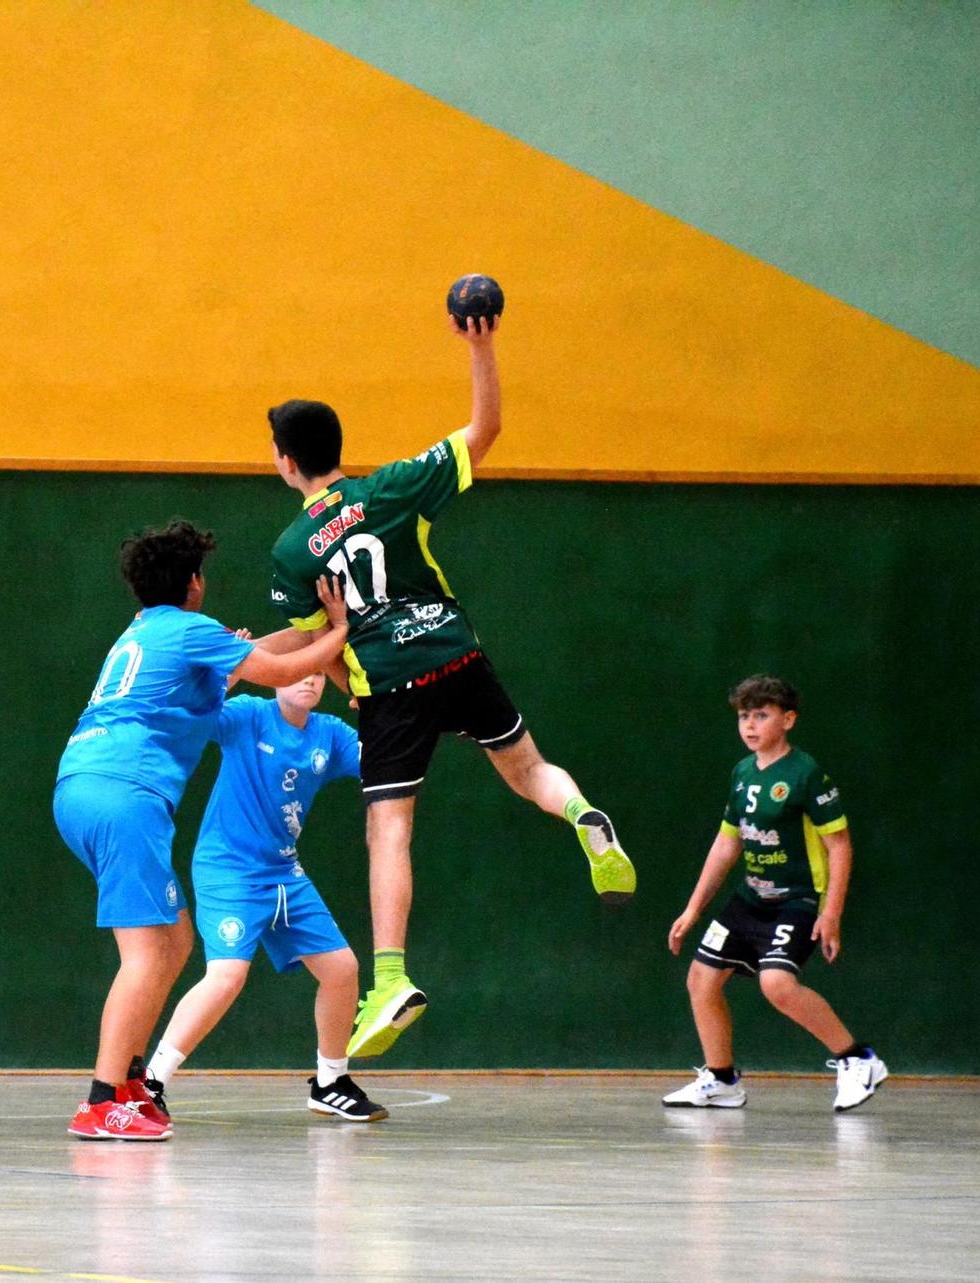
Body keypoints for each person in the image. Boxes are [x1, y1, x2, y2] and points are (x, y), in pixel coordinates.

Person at [263, 309, 633, 1059]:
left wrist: (319, 672)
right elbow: (484, 427)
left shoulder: (294, 547)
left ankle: (392, 977)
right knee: (527, 767)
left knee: (389, 829)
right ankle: (586, 815)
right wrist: (482, 344)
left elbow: (314, 641)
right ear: (337, 449)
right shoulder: (396, 486)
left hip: (390, 682)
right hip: (455, 649)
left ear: (284, 462)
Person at [55, 519, 348, 1140]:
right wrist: (342, 630)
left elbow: (253, 661)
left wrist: (308, 631)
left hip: (82, 786)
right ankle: (103, 1099)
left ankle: (132, 1081)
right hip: (125, 794)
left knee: (175, 940)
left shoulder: (145, 631)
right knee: (143, 953)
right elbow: (273, 670)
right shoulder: (192, 630)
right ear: (194, 582)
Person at [144, 674, 386, 1122]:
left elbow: (385, 760)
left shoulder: (329, 734)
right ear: (274, 677)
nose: (308, 678)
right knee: (227, 976)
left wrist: (393, 714)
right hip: (227, 870)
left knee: (342, 969)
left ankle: (330, 1082)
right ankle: (152, 1083)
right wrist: (224, 679)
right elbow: (188, 716)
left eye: (317, 671)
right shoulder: (248, 715)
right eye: (296, 669)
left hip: (284, 871)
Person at [664, 675, 886, 1112]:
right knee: (700, 980)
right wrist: (693, 909)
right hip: (750, 899)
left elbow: (839, 845)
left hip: (798, 900)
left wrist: (831, 912)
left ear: (788, 719)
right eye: (744, 716)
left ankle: (858, 1060)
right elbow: (727, 843)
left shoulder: (807, 775)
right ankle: (723, 1080)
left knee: (777, 984)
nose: (750, 725)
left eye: (761, 715)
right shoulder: (743, 773)